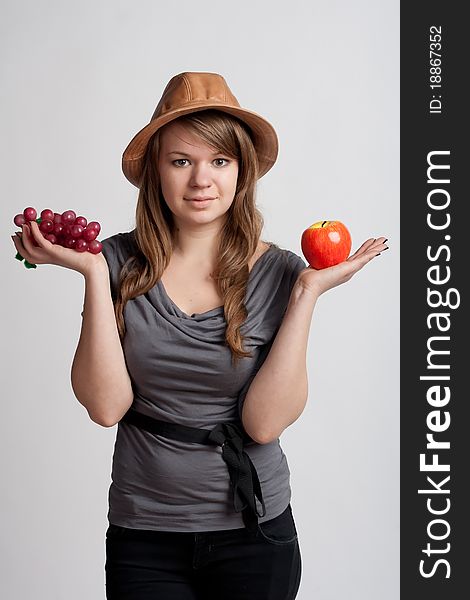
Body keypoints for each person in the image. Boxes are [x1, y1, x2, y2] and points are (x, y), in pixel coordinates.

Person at [12, 71, 388, 600]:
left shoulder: (282, 274)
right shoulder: (116, 263)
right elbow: (105, 407)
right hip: (144, 532)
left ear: (241, 171)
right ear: (156, 173)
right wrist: (95, 276)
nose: (201, 181)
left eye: (219, 161)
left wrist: (306, 294)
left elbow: (263, 423)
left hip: (254, 532)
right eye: (181, 161)